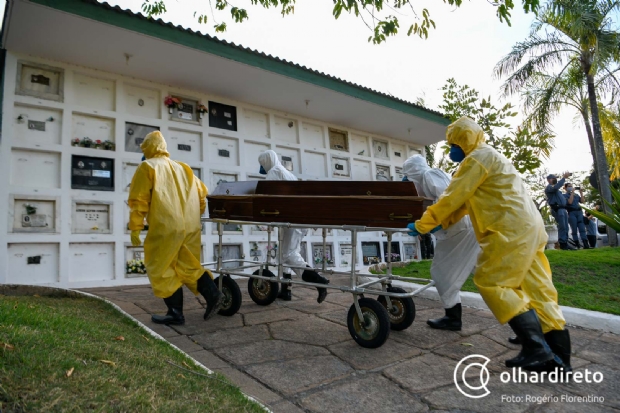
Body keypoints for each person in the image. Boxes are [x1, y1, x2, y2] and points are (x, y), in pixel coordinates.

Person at [412, 117, 571, 372]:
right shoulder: (490, 156)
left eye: (454, 144)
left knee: (491, 280)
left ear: (465, 140)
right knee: (538, 288)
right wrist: (441, 223)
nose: (452, 150)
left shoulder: (475, 159)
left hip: (508, 229)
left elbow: (452, 197)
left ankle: (536, 348)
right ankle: (560, 355)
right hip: (530, 227)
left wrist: (423, 224)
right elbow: (464, 203)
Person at [128, 131, 223, 325]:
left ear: (148, 148)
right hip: (190, 226)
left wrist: (136, 227)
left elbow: (139, 200)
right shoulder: (184, 168)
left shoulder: (147, 167)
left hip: (166, 227)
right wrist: (194, 215)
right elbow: (202, 195)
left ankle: (175, 313)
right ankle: (213, 294)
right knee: (186, 265)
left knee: (160, 268)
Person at [403, 155, 480, 331]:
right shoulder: (431, 177)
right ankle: (525, 327)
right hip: (463, 230)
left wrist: (430, 224)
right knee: (486, 277)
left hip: (458, 230)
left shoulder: (429, 175)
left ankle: (453, 319)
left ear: (413, 172)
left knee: (441, 273)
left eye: (407, 177)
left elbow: (449, 202)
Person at [258, 150, 330, 303]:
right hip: (296, 218)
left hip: (292, 220)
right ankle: (286, 291)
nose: (262, 167)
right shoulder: (285, 172)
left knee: (289, 255)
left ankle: (319, 281)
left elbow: (267, 198)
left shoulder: (273, 172)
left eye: (262, 163)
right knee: (285, 255)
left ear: (267, 161)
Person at [545, 173, 573, 250]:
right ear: (548, 180)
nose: (555, 179)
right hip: (558, 209)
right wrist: (563, 178)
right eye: (553, 178)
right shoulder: (549, 188)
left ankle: (565, 243)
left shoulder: (557, 191)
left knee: (566, 227)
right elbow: (556, 187)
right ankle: (563, 244)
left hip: (563, 209)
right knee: (562, 226)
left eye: (555, 178)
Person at [563, 183, 590, 249]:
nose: (571, 187)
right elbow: (570, 202)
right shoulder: (564, 195)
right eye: (569, 186)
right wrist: (572, 193)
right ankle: (577, 244)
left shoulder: (576, 195)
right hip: (572, 212)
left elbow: (582, 201)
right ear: (566, 188)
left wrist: (581, 193)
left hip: (579, 212)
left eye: (571, 186)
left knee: (582, 228)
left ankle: (585, 244)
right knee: (574, 229)